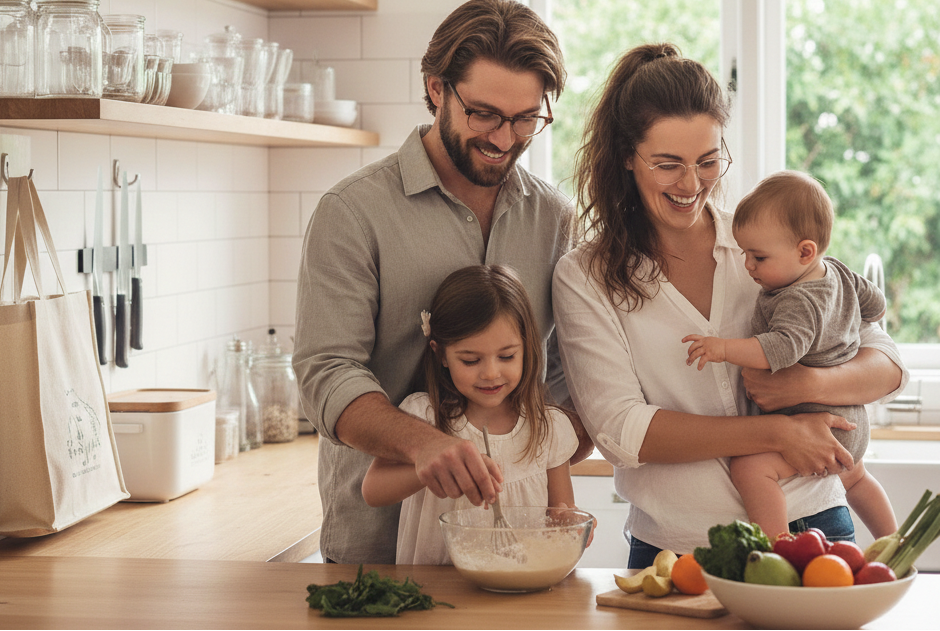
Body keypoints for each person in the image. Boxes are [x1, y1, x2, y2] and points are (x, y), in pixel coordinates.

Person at [551, 43, 908, 569]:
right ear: (628, 157)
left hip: (816, 524)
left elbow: (887, 364)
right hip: (676, 549)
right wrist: (778, 431)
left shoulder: (768, 239)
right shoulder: (586, 276)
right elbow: (621, 430)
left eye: (709, 160)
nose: (692, 184)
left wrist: (806, 385)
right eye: (668, 164)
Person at [293, 0, 588, 565]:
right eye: (484, 114)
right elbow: (326, 371)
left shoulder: (555, 218)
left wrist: (548, 449)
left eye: (527, 118)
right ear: (436, 89)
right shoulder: (352, 212)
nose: (505, 139)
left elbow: (562, 373)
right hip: (377, 545)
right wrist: (423, 442)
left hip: (514, 552)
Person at [681, 170, 899, 541]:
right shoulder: (839, 272)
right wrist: (842, 317)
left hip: (819, 420)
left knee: (751, 470)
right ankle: (896, 543)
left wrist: (724, 348)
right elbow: (876, 304)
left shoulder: (796, 300)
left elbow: (780, 349)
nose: (748, 265)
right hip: (849, 420)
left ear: (805, 251)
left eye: (759, 257)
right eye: (746, 254)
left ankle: (780, 548)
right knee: (856, 476)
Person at [361, 265, 579, 564]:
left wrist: (568, 524)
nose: (490, 373)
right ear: (441, 355)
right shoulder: (423, 416)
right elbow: (373, 491)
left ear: (527, 349)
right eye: (471, 359)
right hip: (434, 593)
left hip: (519, 593)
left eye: (507, 356)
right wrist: (430, 466)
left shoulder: (548, 428)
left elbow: (561, 510)